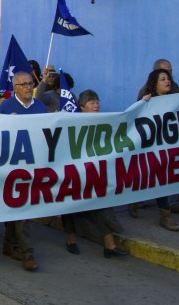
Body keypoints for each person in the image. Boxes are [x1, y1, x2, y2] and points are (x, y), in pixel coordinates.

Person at [62, 90, 128, 258]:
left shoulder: (104, 121)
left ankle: (110, 246)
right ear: (82, 106)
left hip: (96, 172)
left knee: (102, 204)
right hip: (76, 172)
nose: (96, 105)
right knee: (72, 207)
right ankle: (71, 239)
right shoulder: (72, 122)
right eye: (92, 102)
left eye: (97, 101)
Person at [0, 72, 46, 271]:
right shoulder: (5, 108)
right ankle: (28, 253)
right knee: (21, 208)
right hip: (11, 168)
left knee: (17, 208)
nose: (27, 87)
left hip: (33, 166)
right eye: (23, 84)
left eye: (30, 84)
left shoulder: (41, 108)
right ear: (14, 87)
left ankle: (9, 245)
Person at [138, 69, 179, 231]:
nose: (167, 81)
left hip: (169, 148)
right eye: (162, 79)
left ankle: (136, 202)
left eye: (168, 78)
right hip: (152, 149)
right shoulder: (147, 101)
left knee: (160, 179)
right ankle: (165, 217)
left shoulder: (176, 100)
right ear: (154, 84)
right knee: (158, 179)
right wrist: (142, 103)